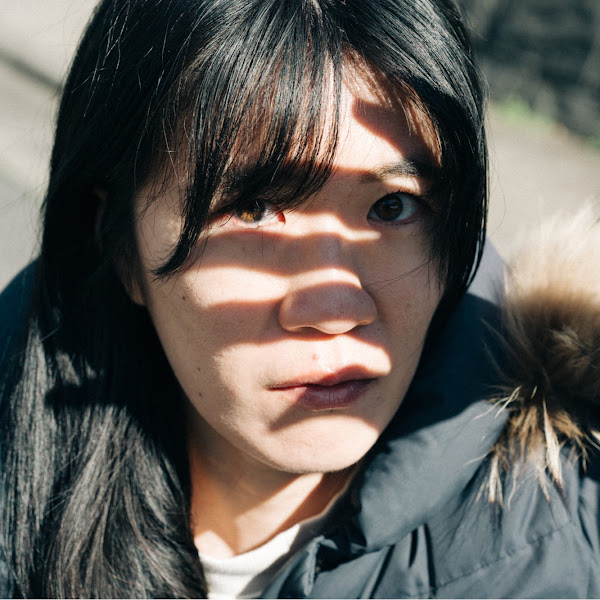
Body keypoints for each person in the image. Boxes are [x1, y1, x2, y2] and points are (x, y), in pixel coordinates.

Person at [0, 0, 599, 597]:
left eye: (393, 206)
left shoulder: (556, 553)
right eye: (253, 209)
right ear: (120, 244)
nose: (337, 309)